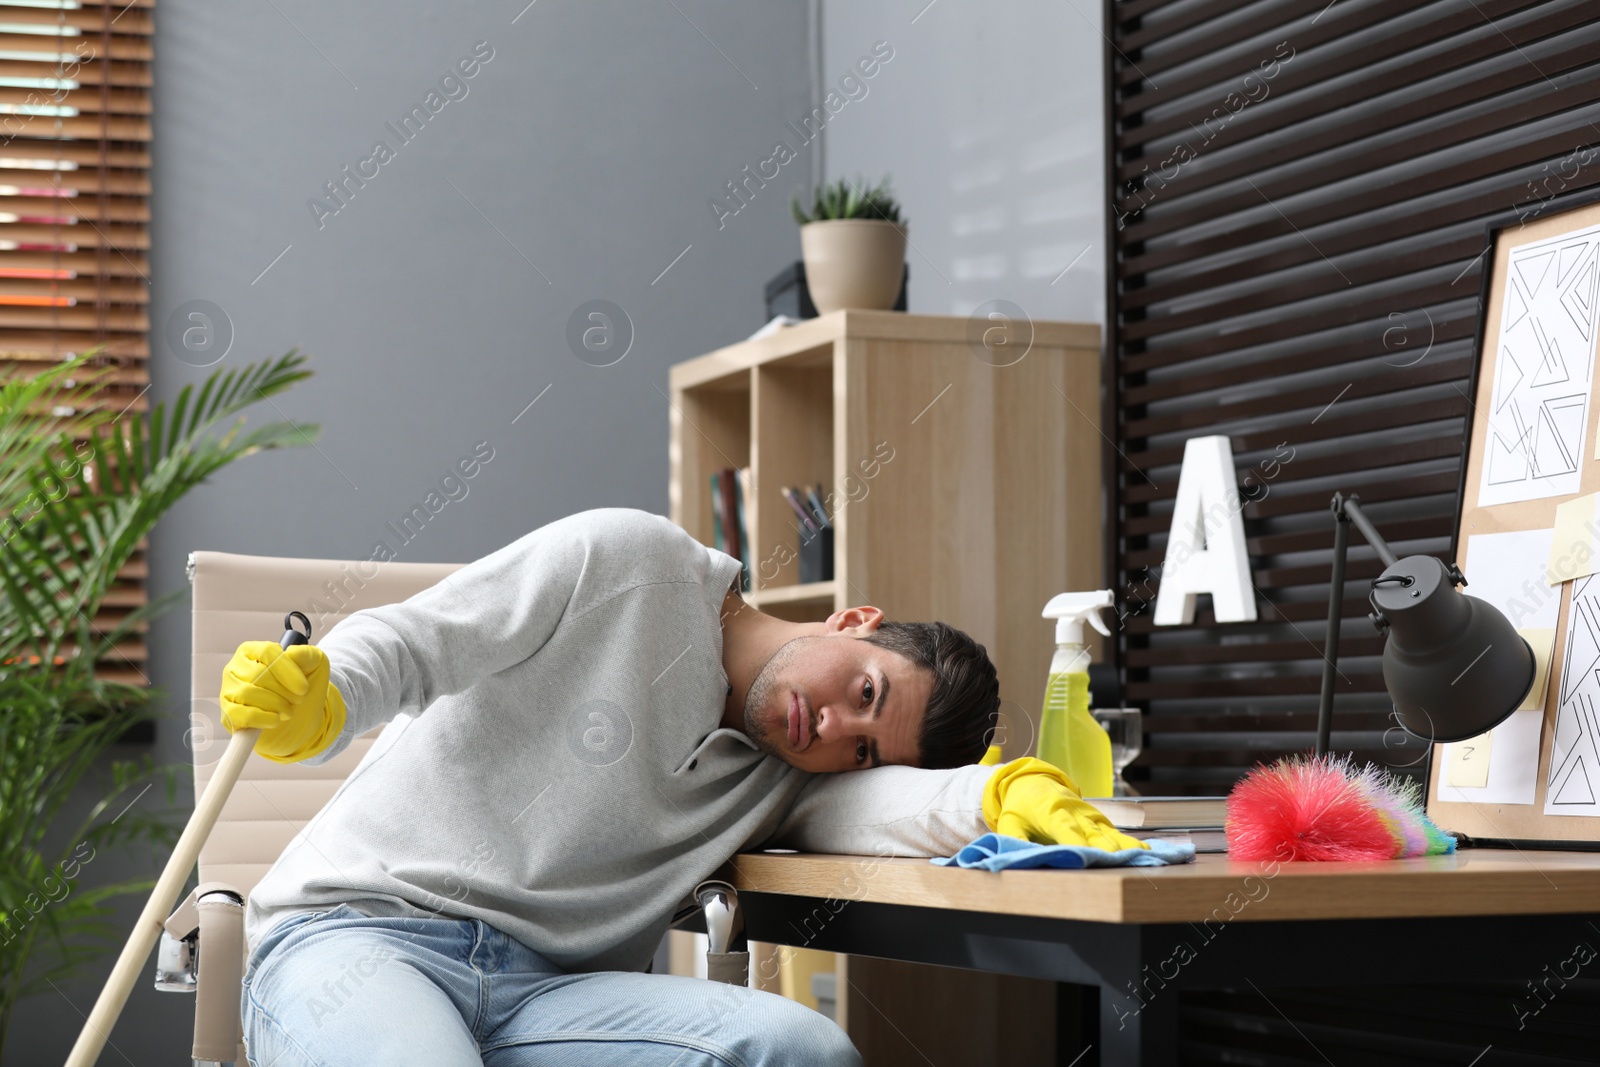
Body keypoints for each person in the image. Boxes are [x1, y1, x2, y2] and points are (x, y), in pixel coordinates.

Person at [222, 507, 1142, 1066]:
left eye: (865, 747)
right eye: (865, 690)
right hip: (359, 940)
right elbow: (421, 640)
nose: (833, 728)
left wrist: (995, 795)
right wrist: (328, 695)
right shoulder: (628, 562)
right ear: (856, 620)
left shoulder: (786, 777)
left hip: (551, 995)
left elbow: (887, 809)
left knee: (801, 1048)